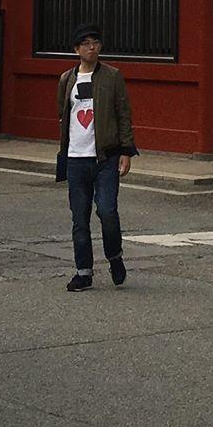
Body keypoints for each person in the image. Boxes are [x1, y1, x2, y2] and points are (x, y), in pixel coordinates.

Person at [57, 24, 136, 292]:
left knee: (107, 211)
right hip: (75, 158)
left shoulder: (113, 76)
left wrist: (126, 151)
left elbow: (123, 113)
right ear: (76, 49)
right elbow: (63, 114)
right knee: (79, 218)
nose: (92, 47)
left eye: (95, 42)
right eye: (86, 43)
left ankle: (115, 256)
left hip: (105, 157)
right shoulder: (66, 79)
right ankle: (83, 272)